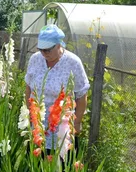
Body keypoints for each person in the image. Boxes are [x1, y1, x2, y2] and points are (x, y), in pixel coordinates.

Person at [25, 24, 90, 154]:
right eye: (41, 49)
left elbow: (81, 95)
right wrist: (31, 114)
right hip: (39, 123)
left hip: (63, 125)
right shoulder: (36, 59)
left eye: (47, 50)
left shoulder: (73, 62)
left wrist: (77, 123)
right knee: (37, 166)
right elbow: (28, 88)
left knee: (62, 166)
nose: (44, 53)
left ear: (59, 44)